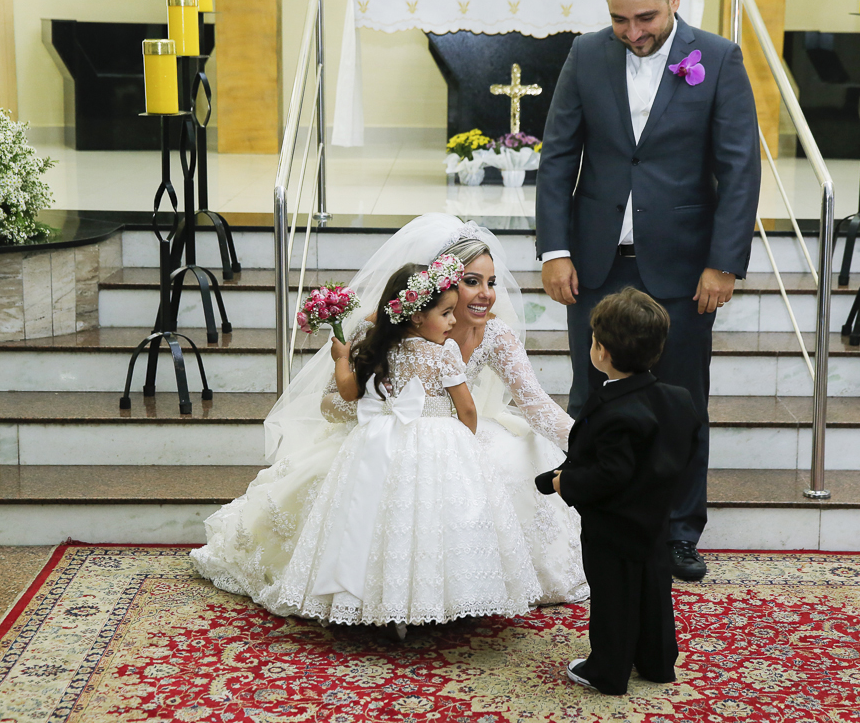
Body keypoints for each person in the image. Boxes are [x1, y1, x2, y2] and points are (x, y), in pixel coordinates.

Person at [193, 214, 586, 629]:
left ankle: (471, 585)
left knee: (518, 458)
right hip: (383, 432)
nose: (486, 294)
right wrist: (385, 408)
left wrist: (590, 441)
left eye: (491, 283)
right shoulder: (384, 332)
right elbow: (333, 401)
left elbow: (536, 405)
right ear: (440, 287)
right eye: (472, 281)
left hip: (460, 437)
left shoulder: (497, 335)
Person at [535, 0, 761, 581]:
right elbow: (558, 158)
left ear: (674, 1)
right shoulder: (586, 54)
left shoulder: (717, 59)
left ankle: (680, 532)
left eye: (646, 19)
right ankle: (584, 524)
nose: (633, 33)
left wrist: (723, 264)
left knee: (680, 401)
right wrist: (556, 250)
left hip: (685, 268)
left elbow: (738, 168)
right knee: (591, 395)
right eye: (620, 20)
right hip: (596, 262)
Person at [535, 288, 701, 695]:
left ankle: (607, 670)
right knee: (654, 591)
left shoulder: (614, 409)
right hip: (654, 516)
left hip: (612, 524)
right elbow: (687, 448)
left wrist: (562, 482)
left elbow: (611, 474)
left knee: (613, 598)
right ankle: (658, 661)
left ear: (602, 351)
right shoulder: (678, 399)